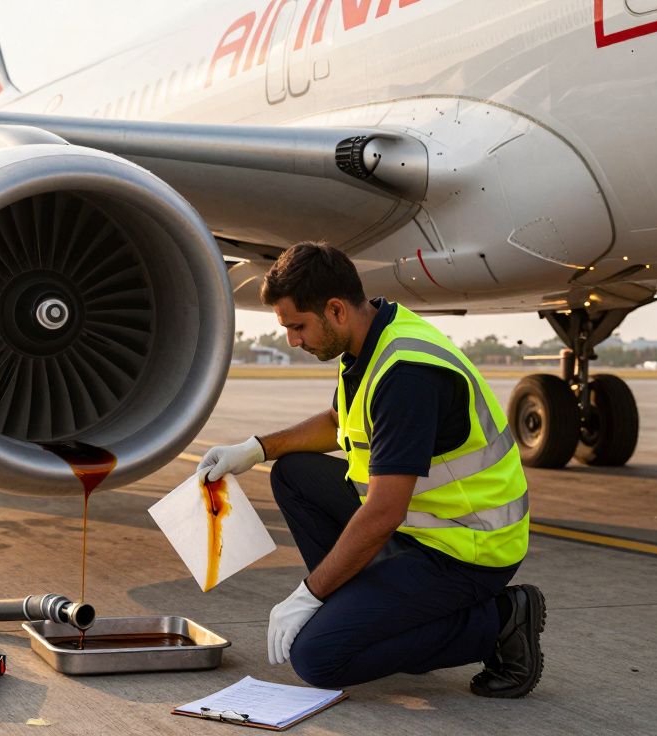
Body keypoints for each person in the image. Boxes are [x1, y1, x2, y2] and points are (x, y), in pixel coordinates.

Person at [198, 243, 544, 698]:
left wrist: (310, 594)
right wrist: (257, 449)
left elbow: (383, 512)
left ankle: (499, 621)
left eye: (297, 327)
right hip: (424, 531)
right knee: (292, 473)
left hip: (468, 548)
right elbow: (339, 420)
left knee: (318, 657)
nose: (293, 341)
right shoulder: (370, 338)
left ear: (336, 309)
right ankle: (373, 616)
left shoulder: (406, 375)